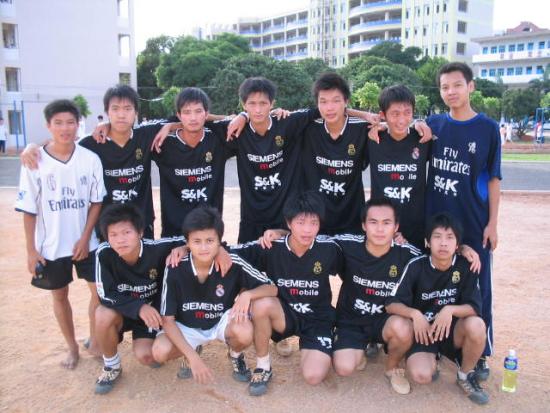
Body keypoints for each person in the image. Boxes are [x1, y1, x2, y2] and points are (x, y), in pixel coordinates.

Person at [20, 85, 177, 242]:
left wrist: (169, 126)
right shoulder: (91, 142)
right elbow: (62, 145)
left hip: (141, 223)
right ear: (107, 112)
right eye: (115, 109)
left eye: (127, 109)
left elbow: (186, 120)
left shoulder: (146, 134)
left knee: (142, 257)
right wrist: (33, 147)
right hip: (107, 226)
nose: (121, 115)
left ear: (136, 112)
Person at [15, 99, 106, 369]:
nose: (65, 128)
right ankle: (72, 348)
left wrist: (85, 237)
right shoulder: (34, 161)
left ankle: (95, 340)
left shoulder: (90, 159)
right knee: (59, 296)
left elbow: (96, 202)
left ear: (78, 125)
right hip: (51, 245)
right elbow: (29, 210)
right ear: (48, 126)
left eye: (70, 122)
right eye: (58, 123)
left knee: (99, 294)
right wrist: (31, 250)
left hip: (86, 243)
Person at [425, 62, 501, 379]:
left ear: (470, 86)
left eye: (457, 85)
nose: (451, 92)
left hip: (473, 222)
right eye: (445, 87)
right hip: (436, 223)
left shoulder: (488, 128)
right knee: (433, 283)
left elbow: (494, 178)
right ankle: (432, 345)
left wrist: (492, 223)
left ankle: (480, 352)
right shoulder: (433, 125)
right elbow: (396, 125)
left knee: (480, 287)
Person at [231, 191, 344, 395]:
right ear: (289, 222)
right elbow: (228, 253)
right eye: (300, 222)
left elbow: (363, 252)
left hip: (317, 318)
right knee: (261, 303)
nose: (307, 229)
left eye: (314, 223)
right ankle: (263, 366)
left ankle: (328, 341)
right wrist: (187, 248)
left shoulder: (329, 248)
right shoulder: (271, 246)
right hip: (284, 315)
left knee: (313, 376)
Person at [152, 207, 277, 387]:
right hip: (186, 325)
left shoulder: (232, 261)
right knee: (159, 351)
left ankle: (235, 354)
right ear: (187, 243)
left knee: (244, 332)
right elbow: (168, 321)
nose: (204, 248)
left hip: (220, 322)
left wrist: (248, 295)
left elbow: (272, 288)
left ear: (219, 242)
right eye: (197, 241)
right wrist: (193, 358)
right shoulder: (175, 267)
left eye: (210, 241)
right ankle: (192, 349)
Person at [301, 73, 432, 236]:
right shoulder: (308, 128)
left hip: (370, 223)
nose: (330, 107)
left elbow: (394, 124)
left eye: (336, 100)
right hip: (323, 221)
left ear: (346, 101)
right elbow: (286, 119)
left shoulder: (419, 138)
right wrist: (365, 115)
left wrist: (419, 122)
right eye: (324, 101)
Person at [386, 213, 489, 405]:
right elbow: (391, 303)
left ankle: (465, 375)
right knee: (421, 375)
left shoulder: (465, 266)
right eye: (437, 237)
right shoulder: (416, 266)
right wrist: (415, 314)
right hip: (423, 334)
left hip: (451, 332)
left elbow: (474, 307)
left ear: (457, 245)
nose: (443, 243)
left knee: (477, 325)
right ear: (427, 242)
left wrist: (449, 310)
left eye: (450, 237)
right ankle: (431, 359)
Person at [329, 198, 421, 394]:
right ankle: (359, 348)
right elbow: (311, 240)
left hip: (385, 321)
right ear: (363, 225)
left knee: (404, 328)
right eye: (373, 222)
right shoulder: (347, 244)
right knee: (343, 367)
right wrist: (281, 233)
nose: (380, 229)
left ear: (396, 227)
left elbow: (437, 261)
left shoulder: (408, 254)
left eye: (386, 223)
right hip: (352, 320)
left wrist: (462, 249)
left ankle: (392, 368)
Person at [93, 203, 185, 394]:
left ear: (140, 232)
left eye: (126, 232)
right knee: (102, 314)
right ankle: (112, 366)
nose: (120, 240)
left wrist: (184, 248)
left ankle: (191, 345)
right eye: (113, 235)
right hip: (125, 311)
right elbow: (105, 295)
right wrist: (139, 307)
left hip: (153, 315)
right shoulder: (104, 253)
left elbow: (192, 239)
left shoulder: (156, 249)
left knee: (147, 357)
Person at [152, 87, 234, 237]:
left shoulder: (218, 139)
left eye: (198, 111)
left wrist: (173, 125)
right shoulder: (163, 142)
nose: (193, 118)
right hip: (174, 232)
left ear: (207, 114)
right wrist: (106, 126)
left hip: (209, 231)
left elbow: (242, 118)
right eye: (187, 112)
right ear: (178, 115)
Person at [367, 85, 431, 249]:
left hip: (414, 228)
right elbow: (342, 114)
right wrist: (377, 123)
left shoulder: (423, 139)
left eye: (407, 112)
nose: (402, 120)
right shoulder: (372, 139)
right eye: (395, 114)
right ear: (383, 115)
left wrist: (420, 122)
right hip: (381, 229)